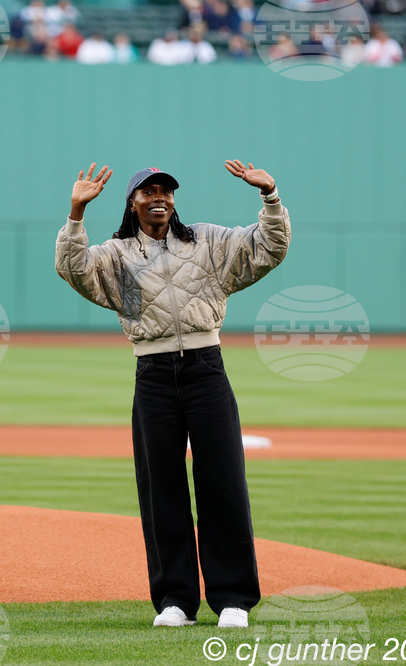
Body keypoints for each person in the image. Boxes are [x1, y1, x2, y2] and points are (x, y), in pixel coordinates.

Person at [55, 161, 291, 628]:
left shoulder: (206, 240)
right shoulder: (117, 255)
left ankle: (232, 600)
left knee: (222, 483)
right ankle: (175, 601)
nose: (159, 197)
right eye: (148, 192)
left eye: (166, 191)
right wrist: (76, 212)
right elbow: (74, 269)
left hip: (206, 369)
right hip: (153, 373)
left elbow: (269, 246)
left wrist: (271, 197)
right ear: (133, 203)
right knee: (160, 486)